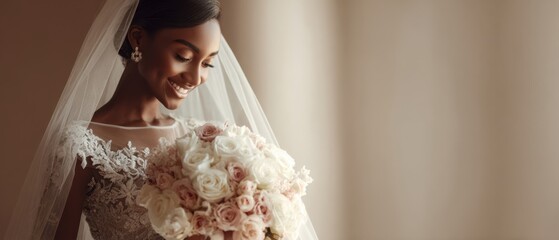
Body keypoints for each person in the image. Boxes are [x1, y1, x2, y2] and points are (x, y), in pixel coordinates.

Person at [4, 0, 318, 239]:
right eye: (183, 56)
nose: (196, 77)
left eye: (208, 63)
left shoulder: (203, 139)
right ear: (138, 40)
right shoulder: (82, 144)